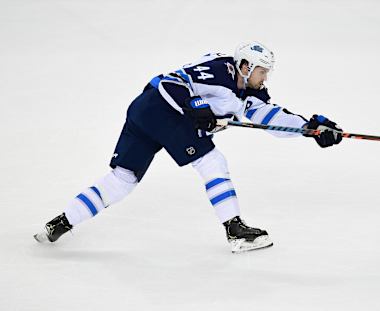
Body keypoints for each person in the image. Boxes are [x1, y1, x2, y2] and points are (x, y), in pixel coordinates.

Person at [34, 41, 343, 253]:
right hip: (160, 109)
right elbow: (169, 83)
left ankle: (60, 223)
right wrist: (197, 106)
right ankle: (235, 231)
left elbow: (269, 117)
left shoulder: (250, 92)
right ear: (245, 66)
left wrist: (309, 128)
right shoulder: (219, 70)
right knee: (212, 163)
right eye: (262, 70)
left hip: (143, 112)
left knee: (122, 180)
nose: (265, 77)